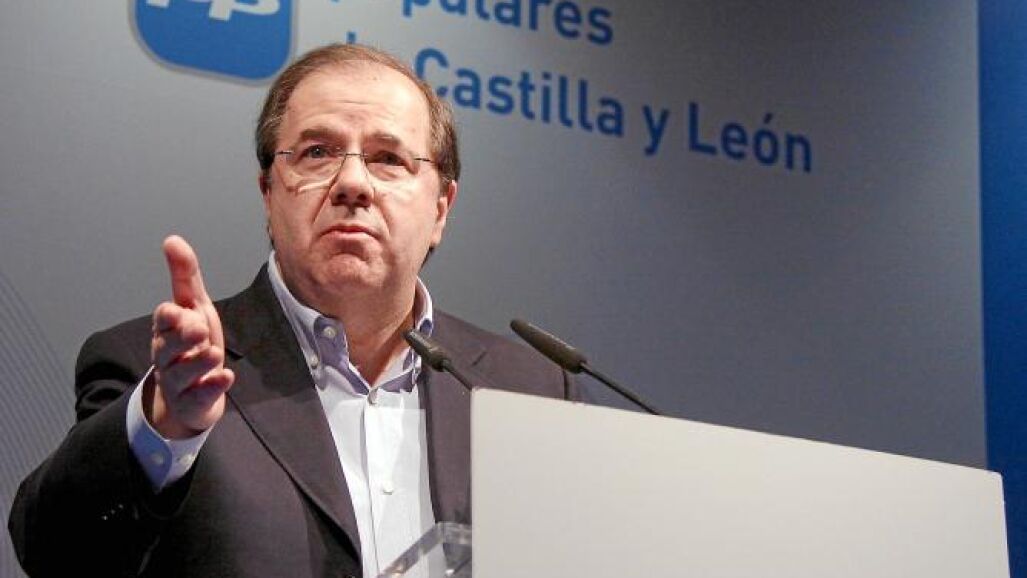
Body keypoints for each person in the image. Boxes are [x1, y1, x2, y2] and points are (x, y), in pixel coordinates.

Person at [9, 43, 581, 578]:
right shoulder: (159, 373)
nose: (352, 182)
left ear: (440, 208)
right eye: (317, 153)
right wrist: (163, 428)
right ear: (269, 192)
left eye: (388, 159)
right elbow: (53, 553)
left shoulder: (528, 390)